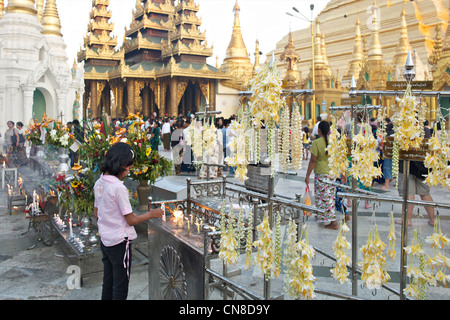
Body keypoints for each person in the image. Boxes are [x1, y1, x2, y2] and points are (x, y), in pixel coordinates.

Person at [94, 142, 164, 300]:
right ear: (121, 165)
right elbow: (131, 219)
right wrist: (151, 214)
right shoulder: (118, 188)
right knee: (120, 285)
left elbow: (96, 212)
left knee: (108, 280)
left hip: (105, 240)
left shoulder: (99, 182)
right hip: (119, 242)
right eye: (129, 168)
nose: (129, 171)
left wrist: (111, 218)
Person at [305, 121, 339, 229]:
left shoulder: (316, 143)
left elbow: (313, 161)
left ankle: (333, 222)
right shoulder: (333, 142)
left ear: (318, 130)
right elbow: (338, 158)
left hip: (321, 174)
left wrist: (307, 176)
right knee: (329, 197)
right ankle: (321, 215)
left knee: (324, 197)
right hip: (332, 174)